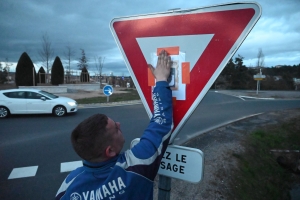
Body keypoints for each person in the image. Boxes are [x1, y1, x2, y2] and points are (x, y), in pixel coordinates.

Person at [55, 50, 173, 200]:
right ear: (109, 151)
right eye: (116, 128)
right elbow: (161, 123)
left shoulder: (68, 187)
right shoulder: (136, 167)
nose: (119, 123)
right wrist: (162, 79)